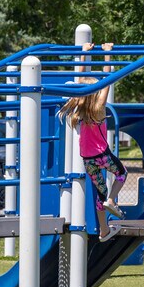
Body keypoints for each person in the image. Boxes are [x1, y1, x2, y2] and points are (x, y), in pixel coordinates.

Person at [58, 42, 127, 242]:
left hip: (87, 159)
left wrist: (84, 53)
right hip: (102, 155)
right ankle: (112, 200)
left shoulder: (77, 107)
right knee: (121, 174)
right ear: (96, 92)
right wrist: (108, 54)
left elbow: (78, 80)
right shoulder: (99, 107)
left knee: (100, 192)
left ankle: (103, 230)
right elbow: (108, 79)